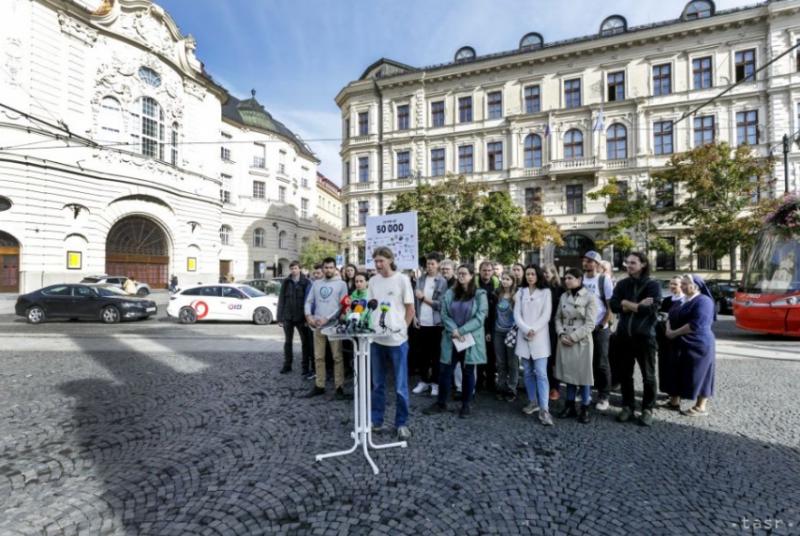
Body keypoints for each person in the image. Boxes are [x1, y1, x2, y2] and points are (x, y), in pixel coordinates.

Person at [424, 264, 488, 418]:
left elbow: (480, 317)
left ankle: (466, 405)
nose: (461, 276)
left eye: (464, 273)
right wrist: (454, 330)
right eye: (459, 273)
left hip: (469, 339)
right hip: (451, 338)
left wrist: (461, 331)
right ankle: (441, 403)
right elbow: (444, 313)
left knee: (468, 372)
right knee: (445, 371)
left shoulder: (480, 294)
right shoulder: (450, 293)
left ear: (472, 275)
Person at [609, 252, 662, 426]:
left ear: (643, 264)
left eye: (633, 263)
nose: (628, 265)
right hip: (624, 337)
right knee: (625, 375)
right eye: (627, 262)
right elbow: (614, 305)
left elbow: (651, 309)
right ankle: (628, 406)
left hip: (645, 338)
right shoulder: (623, 284)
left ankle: (647, 409)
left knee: (648, 376)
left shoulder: (653, 285)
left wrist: (627, 304)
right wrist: (634, 305)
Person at [368, 247, 415, 441]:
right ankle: (376, 420)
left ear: (390, 260)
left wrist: (402, 329)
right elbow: (371, 307)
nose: (378, 265)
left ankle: (401, 423)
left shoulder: (402, 279)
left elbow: (410, 309)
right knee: (377, 384)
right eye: (376, 261)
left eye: (381, 261)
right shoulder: (372, 281)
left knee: (400, 385)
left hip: (397, 341)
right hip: (376, 340)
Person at [666, 275, 716, 417]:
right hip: (679, 342)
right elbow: (670, 316)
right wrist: (668, 329)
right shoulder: (682, 300)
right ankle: (674, 401)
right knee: (678, 371)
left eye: (685, 283)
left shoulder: (704, 301)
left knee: (700, 373)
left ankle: (700, 406)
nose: (681, 286)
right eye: (681, 283)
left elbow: (696, 324)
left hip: (698, 343)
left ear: (695, 286)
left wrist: (674, 333)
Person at [555, 268, 598, 424]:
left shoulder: (590, 297)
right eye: (565, 278)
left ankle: (585, 407)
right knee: (568, 375)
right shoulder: (563, 296)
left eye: (570, 278)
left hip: (581, 341)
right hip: (564, 338)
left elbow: (590, 324)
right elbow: (557, 318)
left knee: (584, 375)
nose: (566, 280)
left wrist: (573, 337)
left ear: (579, 279)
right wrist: (561, 334)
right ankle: (570, 405)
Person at [303, 257, 349, 400]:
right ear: (322, 268)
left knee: (337, 357)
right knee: (318, 357)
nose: (328, 270)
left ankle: (339, 387)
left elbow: (341, 306)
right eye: (326, 267)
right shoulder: (316, 283)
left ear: (335, 269)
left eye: (331, 267)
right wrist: (308, 316)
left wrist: (327, 318)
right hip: (318, 325)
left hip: (333, 326)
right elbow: (308, 301)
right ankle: (319, 385)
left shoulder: (342, 284)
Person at [514, 264, 554, 426]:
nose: (530, 276)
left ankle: (544, 408)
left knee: (541, 373)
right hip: (523, 336)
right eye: (528, 274)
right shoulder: (520, 292)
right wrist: (525, 329)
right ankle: (533, 401)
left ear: (538, 276)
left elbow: (546, 315)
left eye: (533, 274)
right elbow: (516, 314)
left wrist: (533, 329)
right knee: (528, 372)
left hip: (539, 337)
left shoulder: (546, 292)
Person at [581, 251, 614, 411]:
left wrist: (602, 325)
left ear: (597, 264)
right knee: (584, 361)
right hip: (582, 328)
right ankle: (586, 390)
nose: (586, 263)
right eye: (585, 260)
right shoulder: (580, 278)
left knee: (601, 362)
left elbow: (610, 307)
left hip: (600, 327)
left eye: (589, 261)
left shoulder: (604, 280)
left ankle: (604, 395)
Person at [411, 252, 448, 397]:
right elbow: (414, 301)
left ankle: (435, 383)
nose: (430, 266)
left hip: (436, 323)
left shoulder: (442, 282)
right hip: (422, 322)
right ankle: (423, 381)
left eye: (433, 264)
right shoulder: (420, 280)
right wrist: (414, 316)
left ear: (438, 265)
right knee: (422, 354)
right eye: (428, 264)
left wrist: (424, 298)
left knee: (436, 355)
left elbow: (441, 305)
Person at [277, 261, 313, 377]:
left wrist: (308, 317)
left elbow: (309, 301)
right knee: (288, 342)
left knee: (305, 343)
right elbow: (281, 299)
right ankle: (287, 365)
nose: (293, 270)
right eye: (292, 268)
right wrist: (279, 317)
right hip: (288, 316)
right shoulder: (286, 282)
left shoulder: (306, 282)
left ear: (300, 269)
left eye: (295, 268)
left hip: (301, 317)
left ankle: (305, 367)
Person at [657, 276, 685, 409]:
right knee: (664, 365)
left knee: (676, 367)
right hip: (664, 337)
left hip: (678, 338)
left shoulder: (685, 301)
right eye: (671, 284)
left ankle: (677, 395)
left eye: (675, 284)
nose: (672, 286)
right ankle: (669, 391)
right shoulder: (667, 300)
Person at [493, 272, 519, 402]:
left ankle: (512, 388)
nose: (504, 281)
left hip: (512, 333)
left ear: (513, 281)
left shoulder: (516, 295)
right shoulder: (497, 294)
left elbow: (520, 314)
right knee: (500, 361)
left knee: (512, 362)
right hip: (498, 331)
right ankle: (501, 386)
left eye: (508, 279)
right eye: (503, 278)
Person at [477, 261, 499, 392]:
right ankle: (479, 381)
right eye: (484, 270)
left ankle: (490, 381)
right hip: (478, 324)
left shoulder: (496, 286)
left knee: (491, 355)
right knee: (478, 354)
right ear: (480, 271)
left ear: (492, 272)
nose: (487, 272)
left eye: (489, 270)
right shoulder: (474, 285)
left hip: (492, 324)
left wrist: (489, 330)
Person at [543, 264, 564, 401]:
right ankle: (545, 386)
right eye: (543, 272)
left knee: (554, 360)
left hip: (554, 327)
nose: (545, 275)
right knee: (543, 359)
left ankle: (555, 387)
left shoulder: (560, 289)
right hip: (542, 326)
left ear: (554, 273)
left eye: (548, 272)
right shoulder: (540, 288)